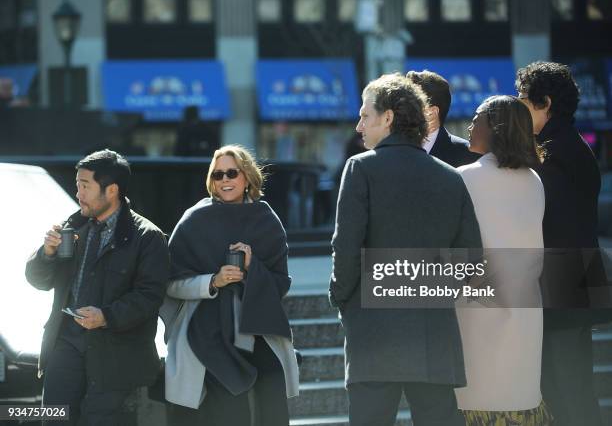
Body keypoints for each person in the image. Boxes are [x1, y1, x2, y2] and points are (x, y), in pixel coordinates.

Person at [330, 73, 482, 426]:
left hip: (372, 329)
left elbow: (346, 246)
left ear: (388, 117)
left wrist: (342, 298)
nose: (358, 125)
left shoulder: (360, 169)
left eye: (365, 115)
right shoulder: (450, 176)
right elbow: (471, 262)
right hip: (434, 331)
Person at [25, 149, 170, 426]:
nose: (78, 193)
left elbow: (150, 297)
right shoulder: (74, 225)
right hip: (65, 346)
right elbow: (38, 281)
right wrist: (47, 253)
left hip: (115, 358)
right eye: (77, 185)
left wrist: (106, 316)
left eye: (85, 186)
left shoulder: (147, 237)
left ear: (112, 190)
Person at [161, 145, 299, 426]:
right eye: (218, 174)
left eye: (231, 173)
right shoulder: (194, 220)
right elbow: (171, 284)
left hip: (258, 327)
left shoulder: (267, 220)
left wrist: (251, 268)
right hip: (206, 329)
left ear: (247, 177)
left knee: (273, 393)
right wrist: (213, 281)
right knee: (228, 405)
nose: (224, 180)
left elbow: (280, 284)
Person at [516, 61, 607, 426]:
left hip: (561, 293)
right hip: (572, 288)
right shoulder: (568, 146)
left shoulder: (552, 154)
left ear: (546, 102)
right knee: (573, 390)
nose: (518, 106)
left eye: (523, 99)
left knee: (567, 393)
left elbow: (542, 220)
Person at [455, 95, 553, 425]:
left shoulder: (464, 178)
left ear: (495, 127)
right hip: (525, 310)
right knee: (518, 396)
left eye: (477, 117)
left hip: (477, 311)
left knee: (477, 399)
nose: (470, 125)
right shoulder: (534, 180)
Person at [406, 70, 480, 167]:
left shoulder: (469, 157)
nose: (401, 109)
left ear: (431, 113)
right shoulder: (391, 151)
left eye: (409, 104)